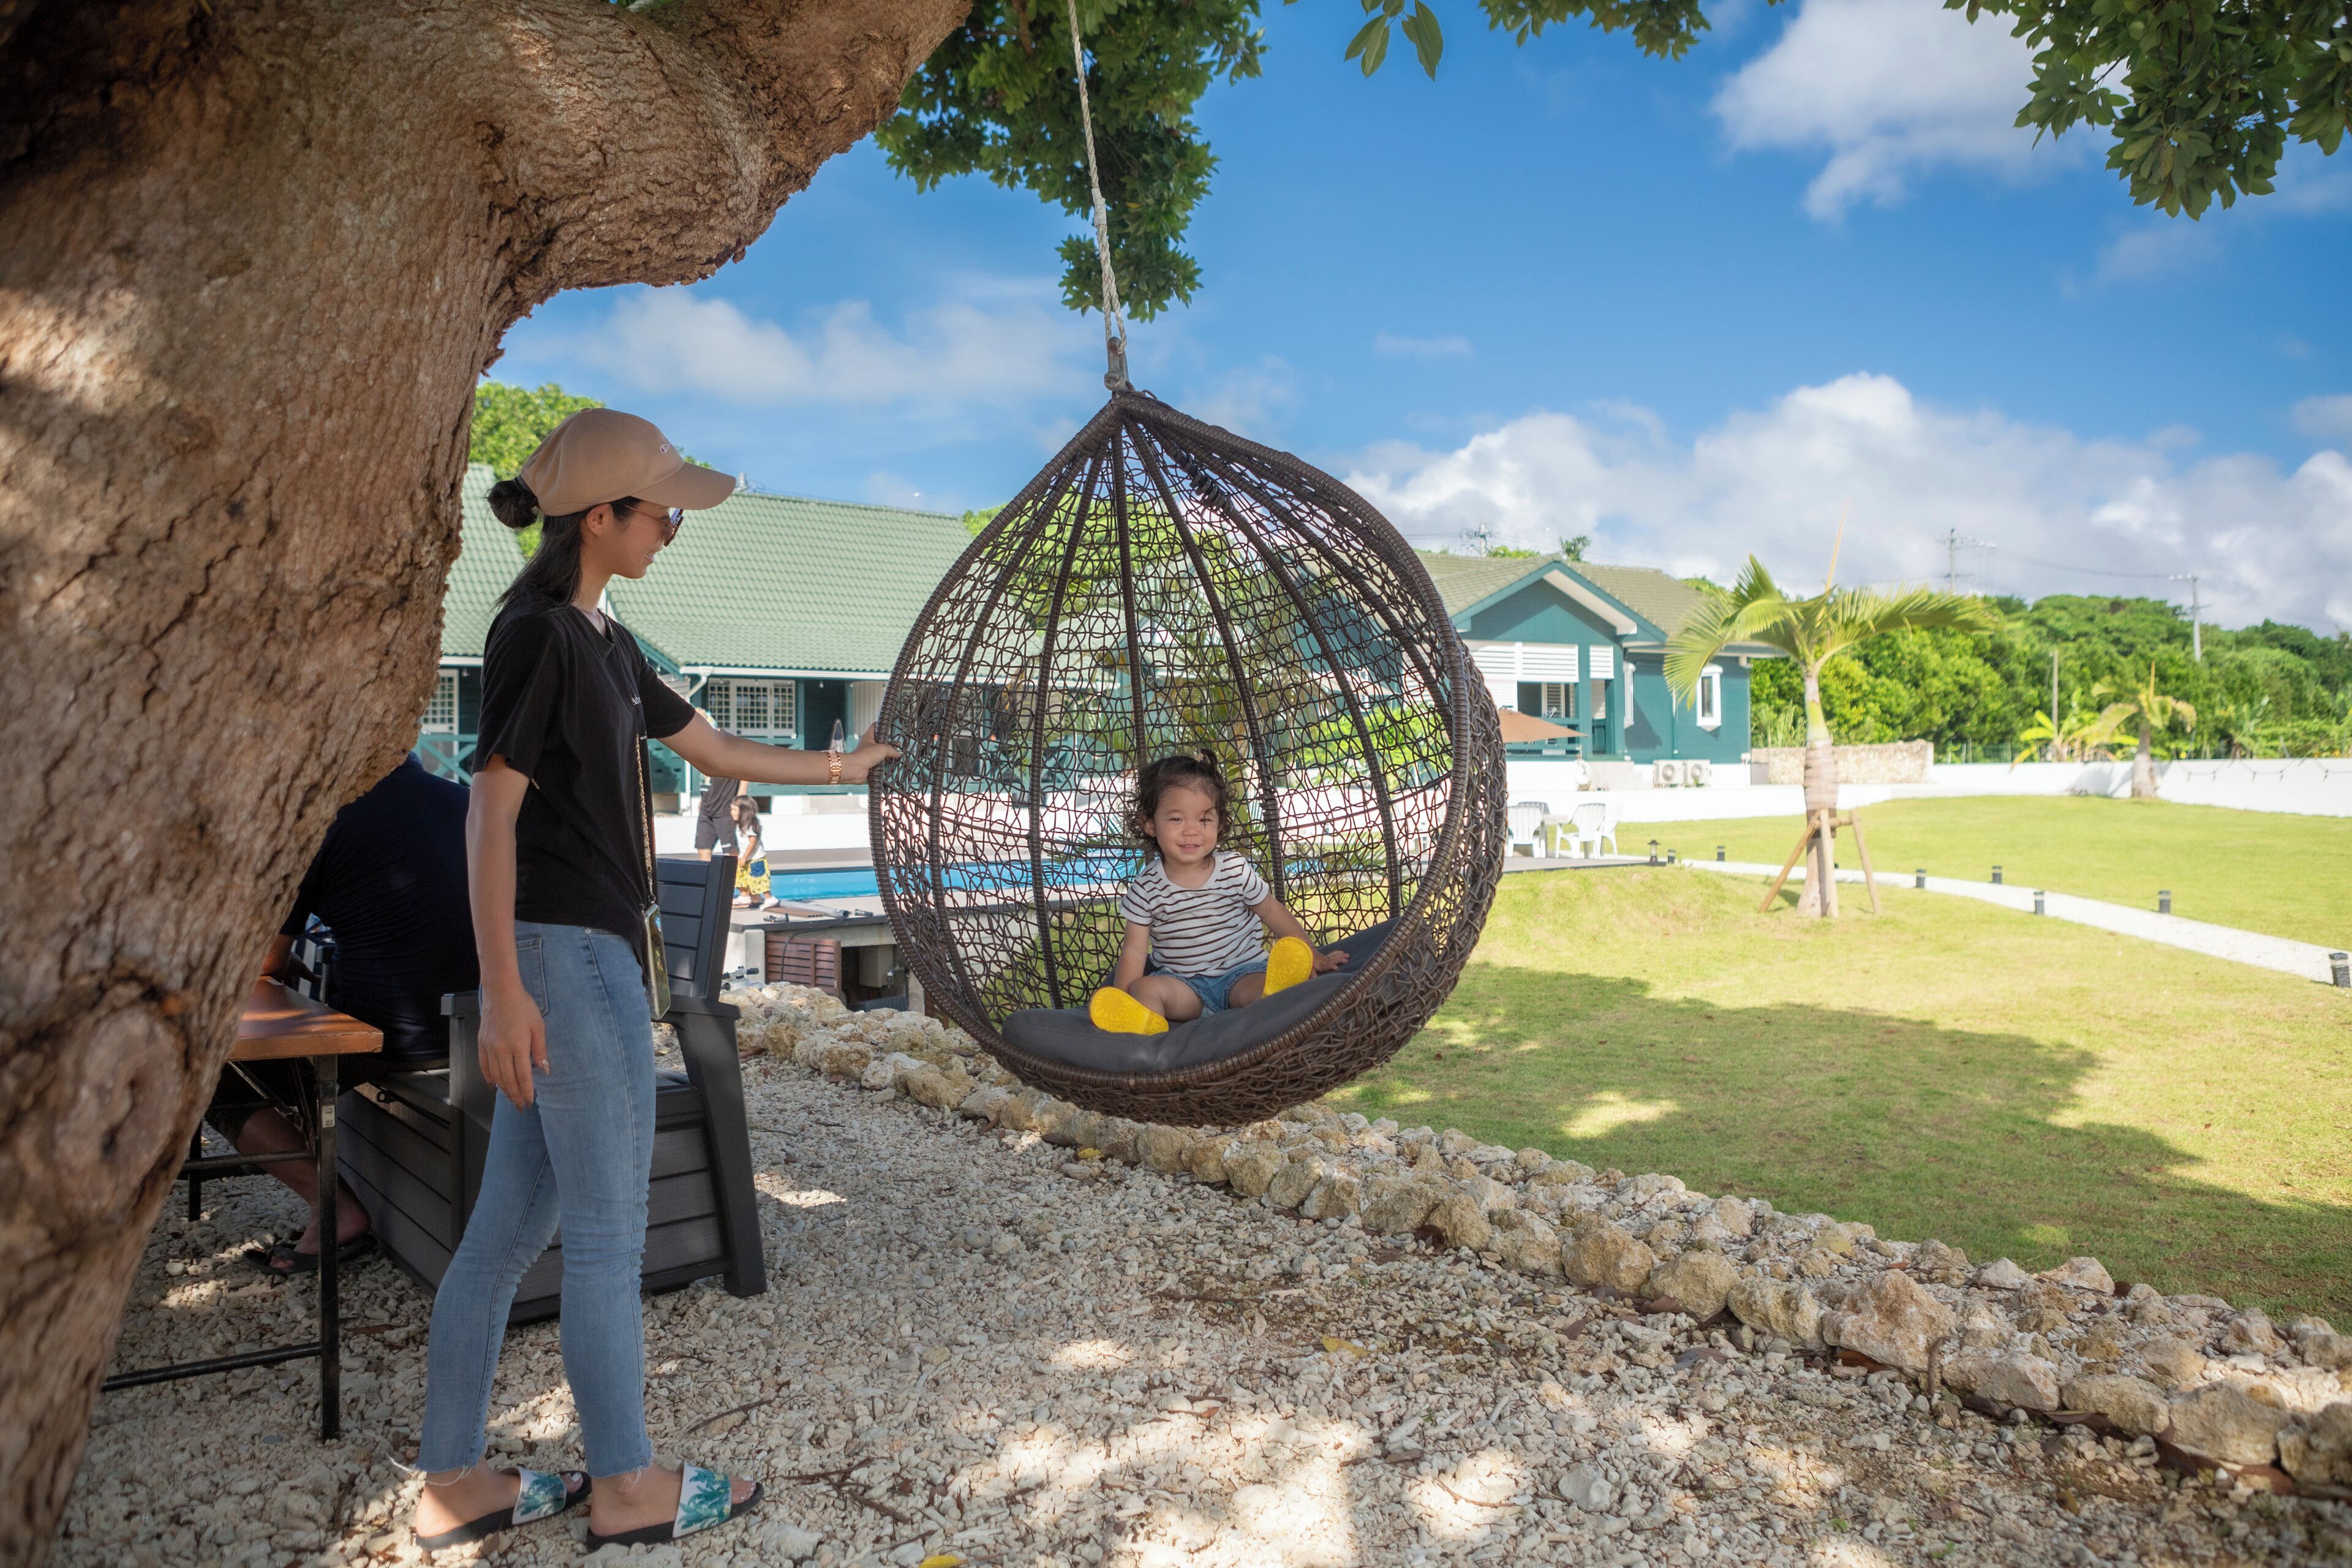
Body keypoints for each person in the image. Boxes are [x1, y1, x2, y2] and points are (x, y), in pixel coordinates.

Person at [409, 408, 899, 1553]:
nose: (674, 528)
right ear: (598, 518)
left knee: (504, 1234)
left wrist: (845, 762)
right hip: (566, 967)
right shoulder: (534, 635)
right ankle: (626, 1486)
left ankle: (452, 1481)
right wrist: (502, 990)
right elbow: (491, 813)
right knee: (606, 1234)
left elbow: (718, 751)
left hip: (581, 962)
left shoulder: (604, 639)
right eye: (661, 510)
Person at [211, 752, 479, 1274]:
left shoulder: (325, 818)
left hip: (393, 1041)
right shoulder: (465, 800)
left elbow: (266, 962)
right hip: (481, 1025)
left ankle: (334, 1213)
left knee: (210, 1079)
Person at [1087, 751, 1349, 1035]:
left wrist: (1314, 955)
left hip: (1242, 972)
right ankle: (1140, 1020)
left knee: (1259, 987)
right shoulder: (1146, 886)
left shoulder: (1234, 870)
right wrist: (1125, 998)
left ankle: (1277, 993)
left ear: (1220, 824)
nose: (1191, 832)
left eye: (1204, 820)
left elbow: (1272, 911)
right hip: (1185, 986)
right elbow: (1135, 950)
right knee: (1144, 988)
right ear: (1150, 824)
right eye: (1176, 820)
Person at [729, 794, 774, 909]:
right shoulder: (740, 824)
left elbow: (753, 843)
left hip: (756, 859)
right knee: (740, 876)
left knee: (758, 880)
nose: (732, 812)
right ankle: (748, 897)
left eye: (735, 810)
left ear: (744, 811)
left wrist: (744, 857)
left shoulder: (750, 824)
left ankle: (769, 898)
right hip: (746, 858)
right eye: (732, 809)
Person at [693, 774, 740, 861]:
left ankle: (734, 873)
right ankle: (707, 873)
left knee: (729, 851)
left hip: (724, 809)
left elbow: (743, 774)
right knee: (703, 847)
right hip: (706, 809)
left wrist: (740, 801)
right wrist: (702, 800)